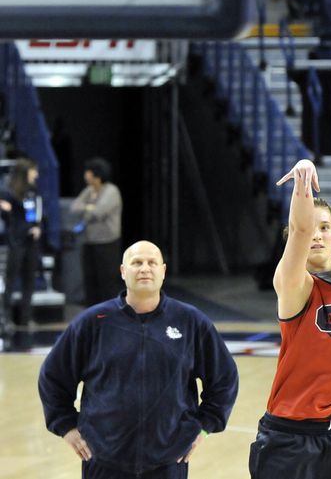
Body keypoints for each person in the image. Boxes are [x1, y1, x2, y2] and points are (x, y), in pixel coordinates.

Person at [38, 240, 238, 479]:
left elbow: (224, 379)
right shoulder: (93, 322)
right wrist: (66, 426)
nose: (145, 268)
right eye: (136, 263)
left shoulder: (191, 321)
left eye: (152, 262)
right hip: (103, 460)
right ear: (123, 272)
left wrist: (204, 427)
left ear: (163, 271)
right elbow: (52, 378)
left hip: (167, 462)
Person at [249, 159, 331, 479]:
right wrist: (303, 182)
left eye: (325, 228)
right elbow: (301, 229)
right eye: (312, 229)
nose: (317, 236)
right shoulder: (294, 284)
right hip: (289, 435)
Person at [70, 157, 122, 306]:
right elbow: (75, 207)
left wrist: (88, 207)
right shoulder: (89, 190)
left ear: (96, 175)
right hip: (89, 241)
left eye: (88, 172)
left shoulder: (111, 191)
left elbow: (99, 212)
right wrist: (89, 207)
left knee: (107, 281)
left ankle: (111, 315)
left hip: (106, 243)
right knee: (90, 281)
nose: (85, 175)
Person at [0, 157, 42, 329]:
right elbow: (7, 216)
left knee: (29, 279)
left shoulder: (33, 191)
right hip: (15, 241)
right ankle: (6, 318)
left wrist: (37, 227)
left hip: (31, 240)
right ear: (25, 171)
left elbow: (36, 213)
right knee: (10, 280)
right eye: (34, 170)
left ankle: (26, 317)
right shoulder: (8, 191)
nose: (36, 174)